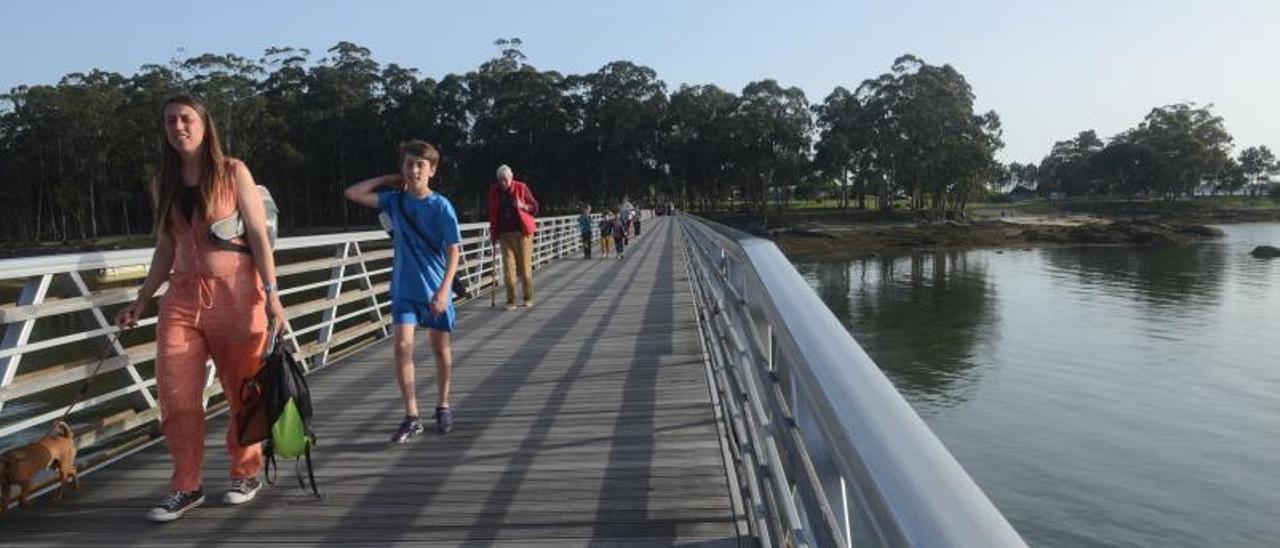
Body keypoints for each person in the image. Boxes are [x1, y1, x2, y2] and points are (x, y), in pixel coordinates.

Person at [114, 95, 286, 522]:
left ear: (204, 124)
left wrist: (273, 295)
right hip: (181, 299)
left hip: (237, 295)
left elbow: (260, 239)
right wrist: (140, 299)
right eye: (170, 121)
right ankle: (185, 486)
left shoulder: (232, 172)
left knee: (243, 390)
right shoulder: (162, 183)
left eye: (185, 118)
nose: (178, 127)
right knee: (176, 394)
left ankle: (245, 472)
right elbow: (165, 248)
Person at [344, 141, 462, 443]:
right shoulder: (395, 201)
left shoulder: (441, 206)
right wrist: (387, 179)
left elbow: (454, 252)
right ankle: (412, 416)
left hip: (435, 288)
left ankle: (443, 404)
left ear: (432, 170)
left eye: (421, 164)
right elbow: (353, 193)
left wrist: (444, 290)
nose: (414, 170)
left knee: (440, 348)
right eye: (409, 164)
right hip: (404, 289)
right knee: (402, 347)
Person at [487, 165, 538, 310]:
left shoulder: (521, 188)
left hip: (522, 234)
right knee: (508, 270)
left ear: (511, 178)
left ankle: (528, 297)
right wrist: (493, 233)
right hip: (504, 235)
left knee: (525, 269)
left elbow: (535, 207)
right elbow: (492, 213)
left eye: (505, 179)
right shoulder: (494, 191)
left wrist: (523, 206)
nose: (503, 183)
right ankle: (511, 301)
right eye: (500, 180)